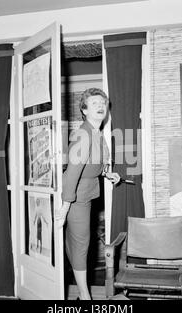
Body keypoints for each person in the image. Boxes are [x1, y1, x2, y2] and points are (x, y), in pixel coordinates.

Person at [56, 88, 120, 300]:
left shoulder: (96, 132)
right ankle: (85, 296)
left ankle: (80, 292)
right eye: (94, 103)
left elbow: (93, 164)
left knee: (77, 243)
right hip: (75, 197)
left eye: (103, 102)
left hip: (85, 195)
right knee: (81, 245)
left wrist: (108, 173)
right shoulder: (84, 134)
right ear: (84, 110)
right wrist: (65, 208)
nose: (101, 106)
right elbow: (72, 172)